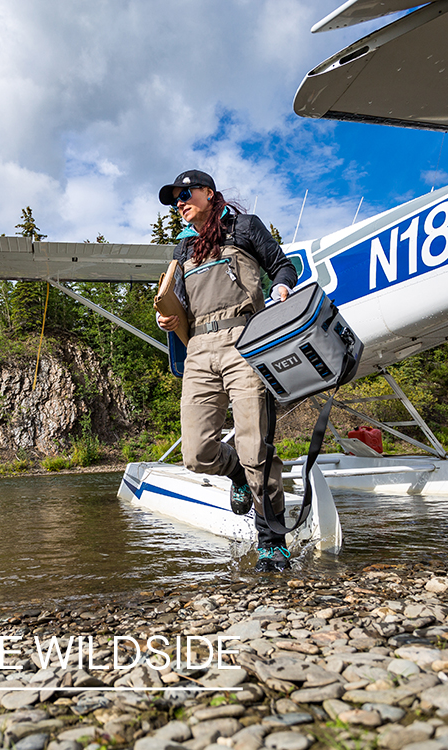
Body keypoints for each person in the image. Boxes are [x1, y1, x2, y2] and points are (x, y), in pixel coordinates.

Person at [156, 170, 298, 572]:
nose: (179, 202)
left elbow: (284, 267)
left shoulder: (245, 227)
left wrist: (281, 288)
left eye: (186, 193)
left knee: (257, 447)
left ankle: (272, 542)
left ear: (208, 193)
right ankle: (234, 472)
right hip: (199, 348)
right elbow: (177, 306)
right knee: (197, 454)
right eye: (173, 199)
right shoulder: (182, 251)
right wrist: (169, 320)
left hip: (245, 339)